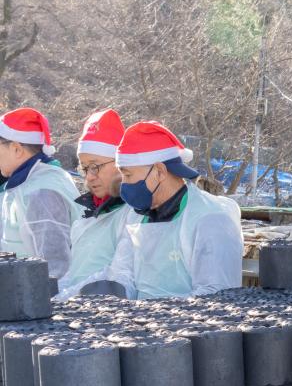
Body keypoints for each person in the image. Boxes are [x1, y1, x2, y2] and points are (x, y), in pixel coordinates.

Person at [60, 120, 242, 299]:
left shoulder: (209, 219)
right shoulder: (137, 217)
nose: (124, 184)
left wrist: (155, 312)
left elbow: (216, 297)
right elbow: (121, 275)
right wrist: (71, 297)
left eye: (128, 175)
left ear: (160, 171)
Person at [57, 109, 133, 294]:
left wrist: (65, 297)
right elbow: (74, 273)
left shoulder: (132, 213)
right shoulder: (88, 215)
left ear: (120, 164)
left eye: (95, 166)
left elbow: (115, 277)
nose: (89, 177)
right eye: (84, 168)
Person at [0, 107, 81, 278]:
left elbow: (55, 269)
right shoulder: (27, 183)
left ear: (16, 149)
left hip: (36, 292)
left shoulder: (43, 193)